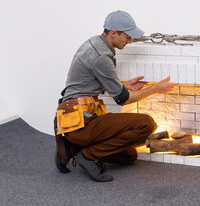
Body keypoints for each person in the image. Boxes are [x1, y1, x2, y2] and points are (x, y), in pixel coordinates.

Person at [54, 10, 177, 182]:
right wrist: (156, 88)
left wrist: (123, 85)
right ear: (113, 33)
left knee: (129, 156)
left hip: (78, 118)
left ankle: (71, 147)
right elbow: (123, 99)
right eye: (127, 37)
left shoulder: (94, 43)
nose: (129, 41)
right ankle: (87, 155)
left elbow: (89, 82)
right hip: (80, 123)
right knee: (146, 124)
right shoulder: (101, 56)